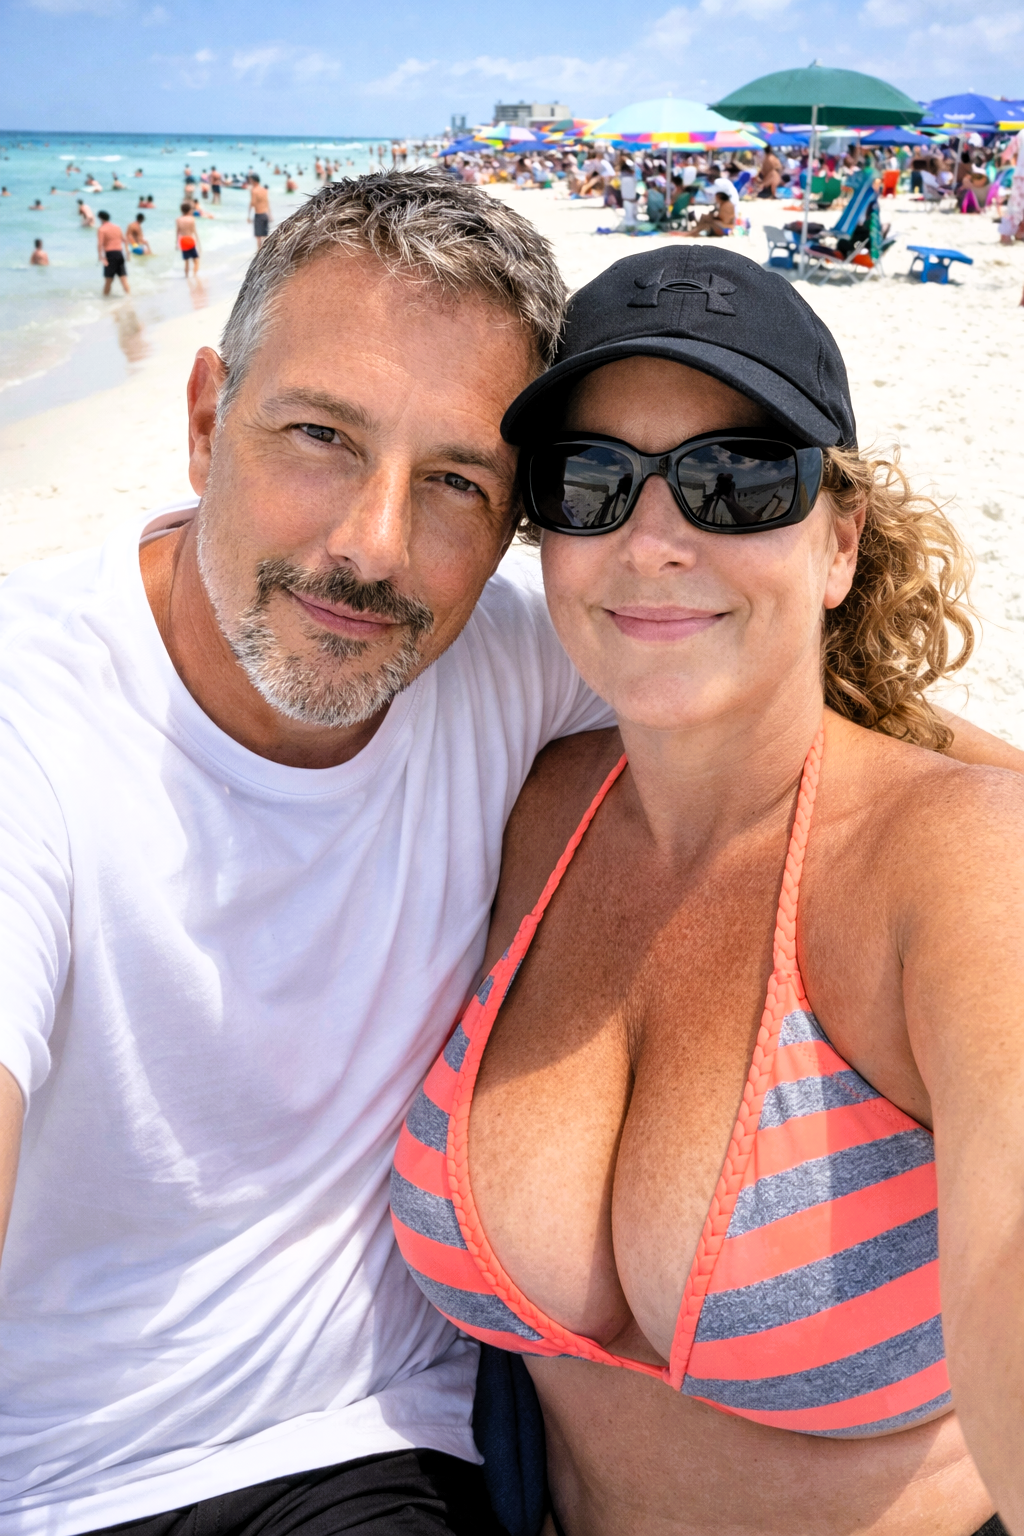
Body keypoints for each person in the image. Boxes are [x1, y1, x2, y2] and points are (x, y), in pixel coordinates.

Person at [0, 170, 616, 1536]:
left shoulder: (506, 659)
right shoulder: (32, 718)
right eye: (322, 436)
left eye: (455, 480)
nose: (372, 550)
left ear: (513, 527)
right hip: (54, 1481)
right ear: (208, 414)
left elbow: (847, 738)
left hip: (374, 1445)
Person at [393, 246, 1024, 1536]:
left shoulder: (952, 867)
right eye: (591, 484)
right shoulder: (530, 805)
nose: (656, 542)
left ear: (839, 537)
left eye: (737, 479)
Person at [96, 209, 130, 295]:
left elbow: (100, 244)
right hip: (120, 254)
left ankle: (104, 302)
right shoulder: (117, 227)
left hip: (110, 255)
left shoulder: (102, 229)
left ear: (100, 218)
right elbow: (125, 240)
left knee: (108, 281)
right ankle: (130, 299)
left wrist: (100, 257)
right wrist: (128, 253)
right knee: (123, 280)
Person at [176, 200, 201, 273]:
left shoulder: (178, 219)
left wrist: (176, 244)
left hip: (183, 241)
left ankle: (186, 277)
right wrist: (199, 243)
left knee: (186, 262)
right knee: (196, 261)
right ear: (189, 210)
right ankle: (194, 275)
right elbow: (194, 231)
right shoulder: (192, 219)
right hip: (190, 240)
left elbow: (178, 232)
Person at [249, 172, 271, 248]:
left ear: (254, 181)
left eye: (251, 180)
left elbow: (253, 203)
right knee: (265, 236)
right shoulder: (264, 190)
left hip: (258, 215)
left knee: (258, 238)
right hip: (265, 215)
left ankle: (259, 255)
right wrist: (270, 215)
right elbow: (267, 203)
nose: (250, 182)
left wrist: (248, 215)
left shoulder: (254, 190)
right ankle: (265, 254)